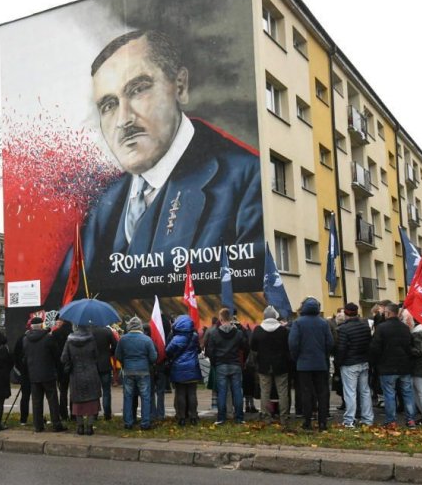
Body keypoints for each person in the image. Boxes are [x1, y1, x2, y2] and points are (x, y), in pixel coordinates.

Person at [49, 30, 263, 304]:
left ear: (180, 86)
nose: (123, 120)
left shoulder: (246, 179)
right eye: (109, 105)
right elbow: (63, 299)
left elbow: (248, 299)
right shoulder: (105, 202)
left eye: (138, 90)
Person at [288, 297, 333, 431]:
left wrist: (297, 358)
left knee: (306, 393)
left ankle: (307, 422)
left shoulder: (298, 323)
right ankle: (323, 422)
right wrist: (324, 355)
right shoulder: (324, 323)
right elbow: (330, 343)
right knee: (322, 393)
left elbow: (293, 343)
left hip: (304, 364)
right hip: (320, 363)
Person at [370, 303, 416, 428]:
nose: (384, 314)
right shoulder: (405, 328)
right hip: (404, 365)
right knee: (407, 393)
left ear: (389, 313)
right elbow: (410, 346)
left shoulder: (381, 328)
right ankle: (411, 419)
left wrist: (375, 363)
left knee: (389, 394)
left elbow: (375, 347)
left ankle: (391, 420)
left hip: (387, 366)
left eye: (385, 312)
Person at [23, 316, 66, 432]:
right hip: (48, 374)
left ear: (31, 327)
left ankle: (38, 426)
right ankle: (56, 424)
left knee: (36, 401)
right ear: (42, 325)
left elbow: (25, 356)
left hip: (33, 374)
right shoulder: (48, 338)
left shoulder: (26, 339)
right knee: (52, 400)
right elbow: (56, 355)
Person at [205, 308, 247, 426]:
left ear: (221, 319)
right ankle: (239, 418)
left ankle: (221, 418)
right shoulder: (238, 333)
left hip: (221, 365)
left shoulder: (214, 333)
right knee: (237, 392)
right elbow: (244, 346)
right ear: (230, 318)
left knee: (222, 392)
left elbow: (210, 351)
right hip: (235, 364)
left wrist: (215, 363)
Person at [335, 302, 374, 428]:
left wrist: (338, 363)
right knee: (365, 391)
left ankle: (349, 420)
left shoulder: (343, 329)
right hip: (364, 361)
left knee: (350, 392)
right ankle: (368, 418)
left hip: (349, 363)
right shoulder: (365, 326)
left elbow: (341, 349)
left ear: (345, 313)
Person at [116, 317, 157, 430]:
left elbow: (118, 355)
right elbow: (153, 357)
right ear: (140, 326)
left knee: (128, 396)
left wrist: (125, 363)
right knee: (145, 397)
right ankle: (145, 423)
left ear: (129, 326)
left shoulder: (123, 339)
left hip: (128, 371)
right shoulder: (147, 340)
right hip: (143, 371)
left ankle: (128, 422)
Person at [61, 325, 102, 435]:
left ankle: (80, 427)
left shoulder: (69, 340)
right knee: (92, 400)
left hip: (76, 374)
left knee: (77, 400)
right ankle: (89, 427)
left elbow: (63, 358)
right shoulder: (91, 339)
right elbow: (96, 355)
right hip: (91, 372)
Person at [166, 314, 201, 427]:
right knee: (192, 393)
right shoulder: (194, 336)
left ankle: (181, 418)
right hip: (192, 368)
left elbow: (167, 351)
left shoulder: (176, 339)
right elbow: (198, 349)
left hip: (178, 369)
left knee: (180, 393)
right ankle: (193, 417)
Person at [405, 311, 422, 425]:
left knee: (421, 392)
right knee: (420, 392)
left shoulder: (416, 334)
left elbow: (418, 351)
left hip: (419, 365)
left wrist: (407, 347)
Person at [92, 325, 118, 420]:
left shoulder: (90, 332)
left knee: (95, 391)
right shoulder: (107, 331)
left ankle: (94, 414)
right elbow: (116, 345)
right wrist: (109, 352)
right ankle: (107, 414)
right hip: (106, 363)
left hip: (93, 364)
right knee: (106, 390)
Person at [51, 316, 73, 421]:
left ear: (63, 321)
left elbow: (53, 352)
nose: (57, 322)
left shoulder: (55, 334)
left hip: (60, 366)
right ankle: (74, 414)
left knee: (63, 391)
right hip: (72, 366)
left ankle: (63, 413)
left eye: (58, 321)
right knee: (73, 391)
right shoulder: (73, 334)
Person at [13, 323, 33, 426]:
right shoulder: (44, 338)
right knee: (38, 397)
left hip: (25, 373)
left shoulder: (21, 339)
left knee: (25, 396)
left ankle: (23, 419)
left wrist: (21, 370)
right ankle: (39, 418)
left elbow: (16, 356)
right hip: (36, 372)